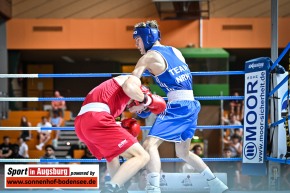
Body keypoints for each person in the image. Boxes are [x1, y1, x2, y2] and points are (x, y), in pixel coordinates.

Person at [130, 20, 228, 193]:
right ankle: (216, 184)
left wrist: (143, 100)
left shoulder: (148, 57)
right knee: (183, 152)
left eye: (137, 40)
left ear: (146, 38)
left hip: (178, 106)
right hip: (191, 104)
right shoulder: (175, 51)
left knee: (149, 145)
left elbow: (132, 81)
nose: (136, 45)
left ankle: (153, 188)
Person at [74, 75, 166, 193]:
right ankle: (111, 187)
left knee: (112, 156)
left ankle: (119, 189)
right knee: (142, 156)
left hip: (82, 123)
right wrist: (147, 100)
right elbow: (130, 87)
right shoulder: (133, 80)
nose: (141, 111)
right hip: (97, 118)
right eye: (144, 108)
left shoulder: (115, 97)